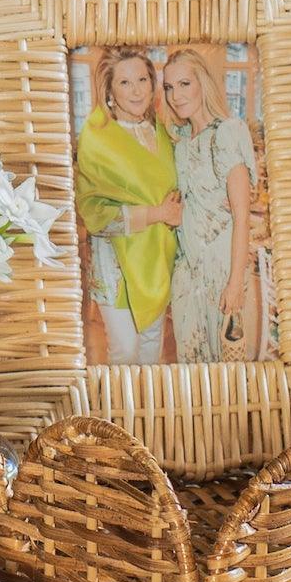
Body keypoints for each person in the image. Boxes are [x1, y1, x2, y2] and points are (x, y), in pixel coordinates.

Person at [159, 46, 263, 364]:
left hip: (222, 269)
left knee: (225, 367)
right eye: (169, 87)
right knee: (191, 367)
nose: (176, 95)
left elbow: (242, 216)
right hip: (186, 272)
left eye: (184, 84)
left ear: (203, 82)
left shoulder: (229, 133)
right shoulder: (177, 144)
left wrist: (235, 282)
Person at [74, 47, 178, 365]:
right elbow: (95, 214)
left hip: (158, 259)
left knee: (151, 350)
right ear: (109, 89)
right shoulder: (97, 137)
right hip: (116, 266)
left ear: (153, 83)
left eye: (142, 79)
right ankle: (116, 416)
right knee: (125, 352)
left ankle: (144, 416)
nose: (136, 90)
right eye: (124, 82)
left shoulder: (160, 131)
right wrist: (157, 213)